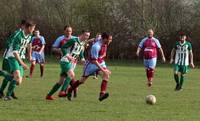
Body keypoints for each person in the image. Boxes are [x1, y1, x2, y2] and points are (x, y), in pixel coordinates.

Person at [67, 32, 112, 102]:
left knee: (106, 76)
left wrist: (87, 42)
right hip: (91, 65)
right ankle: (70, 89)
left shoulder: (102, 41)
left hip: (100, 62)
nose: (110, 41)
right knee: (82, 81)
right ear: (105, 39)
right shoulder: (96, 47)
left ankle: (102, 94)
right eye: (109, 39)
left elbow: (95, 38)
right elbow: (94, 61)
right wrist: (103, 70)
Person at [46, 30, 90, 100]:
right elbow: (63, 47)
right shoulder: (73, 40)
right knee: (71, 75)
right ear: (81, 34)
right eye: (86, 35)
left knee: (61, 81)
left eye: (88, 36)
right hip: (65, 61)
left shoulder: (83, 43)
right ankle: (62, 92)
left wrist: (83, 59)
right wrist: (68, 56)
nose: (87, 37)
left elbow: (80, 53)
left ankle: (49, 95)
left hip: (72, 63)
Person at [0, 20, 36, 100]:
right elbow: (15, 52)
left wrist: (29, 56)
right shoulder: (18, 35)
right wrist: (22, 64)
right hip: (12, 57)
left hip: (20, 57)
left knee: (18, 81)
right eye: (33, 28)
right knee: (16, 76)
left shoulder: (30, 36)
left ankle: (2, 73)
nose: (34, 30)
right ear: (29, 28)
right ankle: (7, 95)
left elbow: (29, 45)